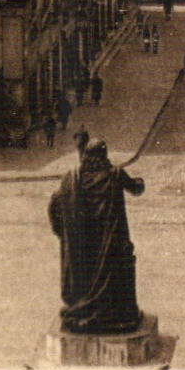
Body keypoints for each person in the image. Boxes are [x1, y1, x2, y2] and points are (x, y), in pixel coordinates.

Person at [48, 139, 146, 334]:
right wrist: (140, 182)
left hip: (85, 247)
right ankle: (116, 316)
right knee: (117, 276)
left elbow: (55, 204)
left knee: (87, 277)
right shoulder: (115, 174)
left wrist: (63, 234)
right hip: (111, 244)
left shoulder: (72, 178)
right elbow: (136, 188)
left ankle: (86, 310)